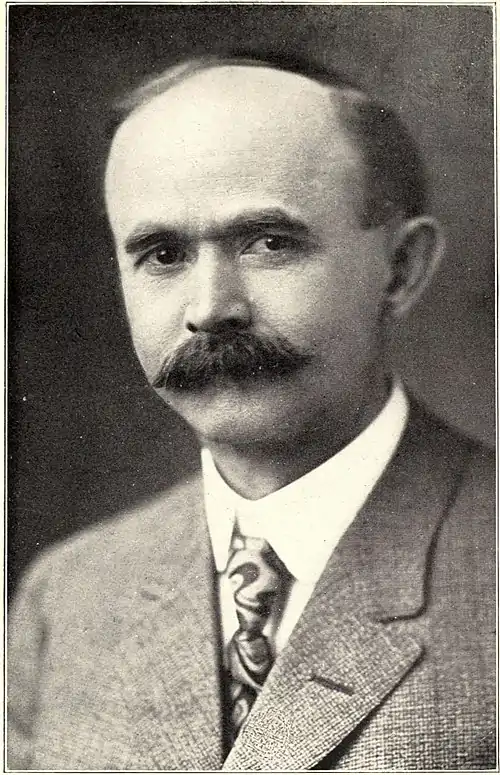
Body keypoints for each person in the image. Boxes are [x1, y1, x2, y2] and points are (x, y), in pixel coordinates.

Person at [8, 53, 495, 771]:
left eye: (270, 243)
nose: (211, 308)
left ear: (401, 268)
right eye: (162, 254)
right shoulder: (66, 595)